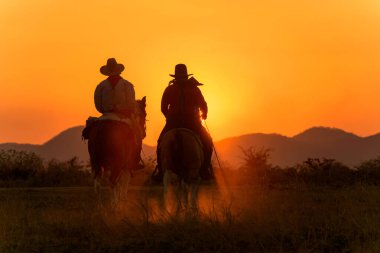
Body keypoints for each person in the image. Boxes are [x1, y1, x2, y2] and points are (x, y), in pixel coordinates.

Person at [152, 63, 214, 183]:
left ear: (175, 76)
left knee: (160, 144)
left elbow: (163, 108)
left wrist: (169, 117)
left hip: (172, 123)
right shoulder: (194, 89)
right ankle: (205, 170)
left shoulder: (169, 89)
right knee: (207, 142)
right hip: (192, 123)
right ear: (186, 75)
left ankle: (160, 171)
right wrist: (204, 115)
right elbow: (203, 105)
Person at [93, 58, 143, 169]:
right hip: (123, 116)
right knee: (138, 133)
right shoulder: (127, 85)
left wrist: (106, 110)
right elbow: (131, 103)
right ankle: (135, 160)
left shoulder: (100, 86)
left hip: (105, 115)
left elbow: (98, 105)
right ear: (119, 71)